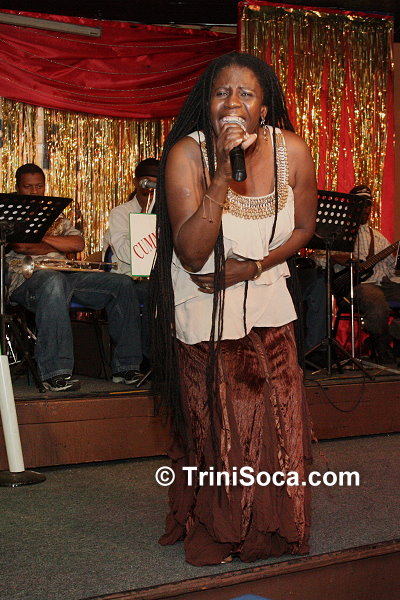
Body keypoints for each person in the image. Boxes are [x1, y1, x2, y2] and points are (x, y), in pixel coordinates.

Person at [150, 52, 318, 566]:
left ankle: (275, 526)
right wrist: (222, 174)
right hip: (205, 310)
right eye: (222, 92)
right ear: (208, 103)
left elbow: (304, 229)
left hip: (269, 301)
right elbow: (192, 253)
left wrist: (255, 266)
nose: (232, 103)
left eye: (246, 93)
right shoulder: (188, 154)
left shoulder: (292, 150)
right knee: (225, 425)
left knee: (280, 418)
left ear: (263, 108)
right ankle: (223, 528)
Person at [7, 163, 146, 391]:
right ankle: (55, 373)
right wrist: (56, 243)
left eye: (39, 186)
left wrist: (43, 240)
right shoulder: (11, 214)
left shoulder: (55, 215)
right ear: (18, 188)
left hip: (65, 273)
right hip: (27, 279)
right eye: (28, 187)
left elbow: (78, 243)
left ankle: (127, 367)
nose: (34, 191)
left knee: (121, 283)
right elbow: (21, 246)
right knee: (54, 281)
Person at [331, 184, 400, 363]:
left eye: (368, 204)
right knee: (376, 301)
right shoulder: (338, 234)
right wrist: (336, 258)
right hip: (356, 287)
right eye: (360, 203)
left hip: (384, 283)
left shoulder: (378, 237)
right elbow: (318, 258)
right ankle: (383, 349)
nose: (365, 209)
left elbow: (392, 269)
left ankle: (392, 334)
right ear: (351, 206)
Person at [103, 158, 159, 363]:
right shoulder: (121, 213)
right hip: (128, 278)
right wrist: (145, 222)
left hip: (158, 278)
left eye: (156, 183)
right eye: (146, 182)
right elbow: (127, 255)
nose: (150, 187)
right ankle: (147, 358)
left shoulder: (170, 211)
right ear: (136, 182)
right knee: (155, 293)